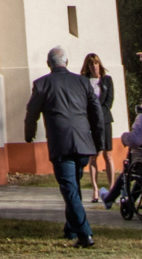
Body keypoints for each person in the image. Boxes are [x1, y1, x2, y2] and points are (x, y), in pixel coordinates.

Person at [25, 46, 111, 248]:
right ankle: (71, 228)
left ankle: (85, 234)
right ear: (67, 62)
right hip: (83, 142)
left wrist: (29, 135)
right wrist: (98, 143)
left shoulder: (42, 84)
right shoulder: (82, 82)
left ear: (49, 64)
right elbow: (96, 114)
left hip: (61, 143)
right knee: (74, 186)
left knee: (70, 189)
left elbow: (32, 113)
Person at [78, 53, 116, 195]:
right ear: (87, 67)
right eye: (91, 64)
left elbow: (109, 101)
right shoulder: (84, 81)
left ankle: (112, 187)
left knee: (108, 154)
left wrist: (100, 114)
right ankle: (95, 188)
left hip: (105, 120)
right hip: (90, 122)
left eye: (96, 63)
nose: (94, 66)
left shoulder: (107, 80)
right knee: (93, 155)